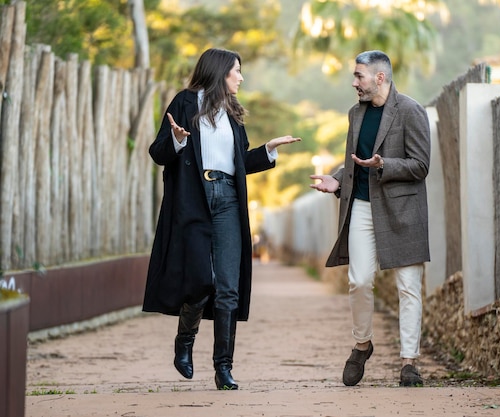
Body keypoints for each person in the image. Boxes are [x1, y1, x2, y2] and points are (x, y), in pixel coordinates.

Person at [143, 48, 300, 390]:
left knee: (228, 285)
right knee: (200, 279)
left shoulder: (232, 112)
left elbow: (239, 161)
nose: (241, 78)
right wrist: (176, 140)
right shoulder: (184, 103)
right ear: (219, 72)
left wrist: (268, 150)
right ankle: (185, 340)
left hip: (228, 197)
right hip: (194, 199)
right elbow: (158, 153)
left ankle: (223, 367)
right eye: (236, 72)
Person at [310, 50, 430, 387]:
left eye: (359, 76)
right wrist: (337, 178)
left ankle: (409, 363)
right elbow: (354, 160)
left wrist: (383, 165)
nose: (354, 83)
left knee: (409, 287)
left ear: (380, 77)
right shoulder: (355, 114)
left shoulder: (410, 111)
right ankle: (362, 344)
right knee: (359, 280)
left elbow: (421, 165)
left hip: (404, 209)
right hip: (362, 205)